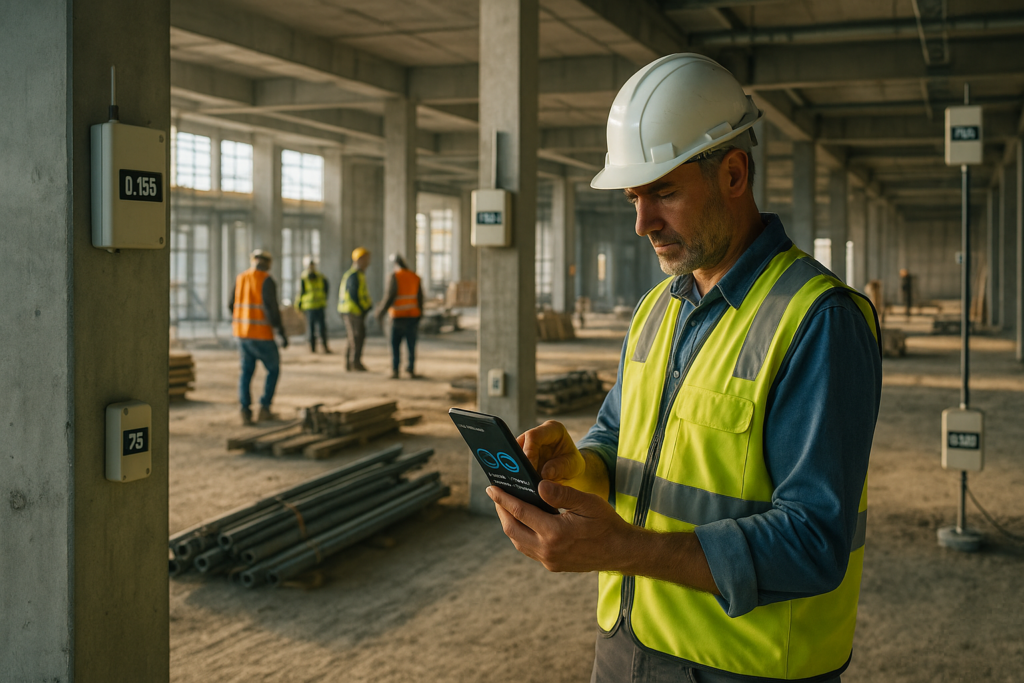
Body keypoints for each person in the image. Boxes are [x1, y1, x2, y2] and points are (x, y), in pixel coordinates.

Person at [486, 54, 883, 683]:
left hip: (744, 666)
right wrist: (577, 467)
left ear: (733, 172)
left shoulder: (818, 320)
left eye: (664, 192)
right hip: (626, 647)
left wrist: (623, 549)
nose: (643, 223)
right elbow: (621, 444)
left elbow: (814, 543)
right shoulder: (657, 309)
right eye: (634, 197)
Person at [229, 249, 289, 426]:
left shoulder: (241, 278)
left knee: (246, 372)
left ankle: (245, 411)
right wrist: (281, 332)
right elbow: (272, 309)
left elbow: (230, 304)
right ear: (269, 263)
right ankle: (264, 408)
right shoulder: (266, 280)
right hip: (261, 335)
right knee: (273, 369)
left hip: (242, 334)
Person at [377, 254, 424, 379]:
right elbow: (420, 298)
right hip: (413, 316)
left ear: (395, 265)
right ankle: (411, 369)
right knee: (411, 345)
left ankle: (395, 370)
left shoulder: (395, 276)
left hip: (398, 317)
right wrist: (420, 314)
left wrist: (380, 312)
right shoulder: (415, 277)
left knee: (395, 345)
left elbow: (389, 297)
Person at [338, 247, 372, 371]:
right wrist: (363, 308)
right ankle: (354, 363)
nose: (368, 262)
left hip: (353, 310)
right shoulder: (354, 275)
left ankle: (350, 363)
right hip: (352, 311)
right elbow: (354, 294)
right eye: (366, 259)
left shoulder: (359, 274)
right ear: (359, 259)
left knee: (353, 337)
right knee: (357, 337)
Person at [296, 256, 331, 353]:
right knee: (311, 329)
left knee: (322, 328)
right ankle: (312, 348)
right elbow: (301, 292)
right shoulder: (304, 278)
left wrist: (324, 299)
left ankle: (324, 346)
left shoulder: (321, 277)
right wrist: (298, 305)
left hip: (320, 305)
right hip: (309, 307)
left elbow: (326, 288)